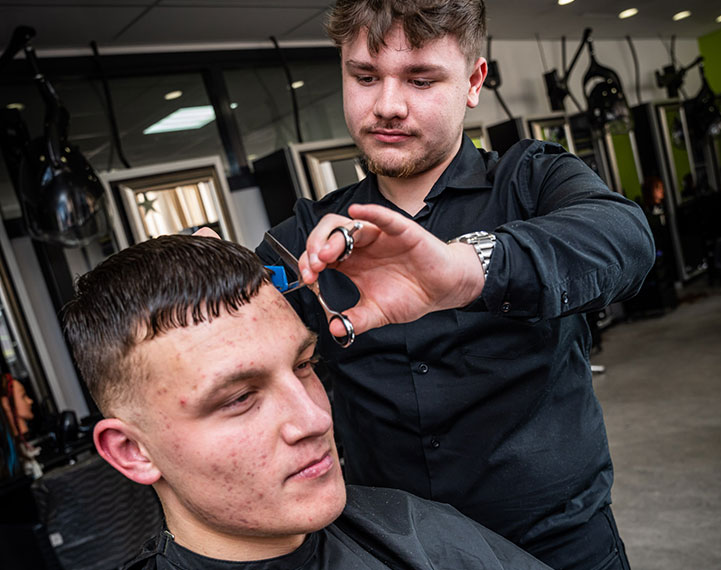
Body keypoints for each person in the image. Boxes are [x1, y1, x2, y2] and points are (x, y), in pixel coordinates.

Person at [255, 1, 656, 569]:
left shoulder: (532, 179)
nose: (387, 105)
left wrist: (468, 270)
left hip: (558, 546)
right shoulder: (303, 236)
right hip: (396, 551)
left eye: (421, 79)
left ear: (473, 81)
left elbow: (625, 239)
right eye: (364, 77)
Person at [61, 235, 550, 570]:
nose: (314, 419)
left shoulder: (418, 531)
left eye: (303, 365)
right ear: (132, 451)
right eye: (239, 398)